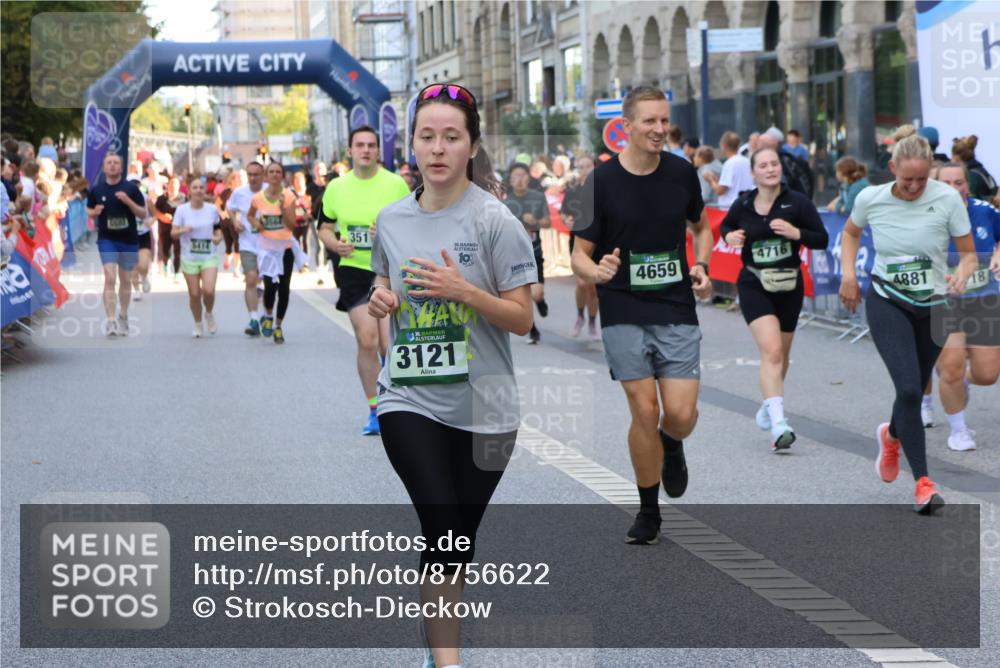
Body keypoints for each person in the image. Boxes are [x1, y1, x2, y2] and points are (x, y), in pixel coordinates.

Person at [368, 81, 535, 668]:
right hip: (408, 397)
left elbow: (521, 318)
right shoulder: (389, 219)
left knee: (455, 545)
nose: (437, 148)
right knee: (441, 524)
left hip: (486, 408)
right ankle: (448, 663)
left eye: (451, 137)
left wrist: (465, 291)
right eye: (426, 137)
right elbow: (382, 283)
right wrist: (381, 298)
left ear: (471, 145)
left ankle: (438, 642)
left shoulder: (495, 221)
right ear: (410, 145)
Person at [572, 86, 714, 544]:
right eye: (649, 121)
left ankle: (672, 444)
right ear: (626, 126)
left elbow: (702, 227)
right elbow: (578, 254)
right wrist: (598, 270)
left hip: (675, 304)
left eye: (664, 121)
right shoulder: (601, 181)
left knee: (680, 413)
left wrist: (701, 265)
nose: (659, 130)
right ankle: (648, 511)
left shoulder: (681, 172)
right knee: (644, 407)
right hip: (622, 306)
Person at [839, 125, 977, 515]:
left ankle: (892, 435)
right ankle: (923, 483)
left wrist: (963, 273)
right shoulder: (871, 197)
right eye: (907, 179)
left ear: (930, 170)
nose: (915, 187)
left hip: (935, 304)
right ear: (892, 167)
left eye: (921, 179)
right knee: (911, 391)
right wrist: (849, 275)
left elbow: (967, 253)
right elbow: (850, 234)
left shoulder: (948, 199)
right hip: (888, 300)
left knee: (911, 389)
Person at [720, 147, 829, 450]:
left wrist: (796, 234)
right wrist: (729, 236)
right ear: (754, 172)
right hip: (754, 283)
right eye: (764, 165)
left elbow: (821, 239)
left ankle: (770, 405)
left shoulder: (798, 202)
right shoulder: (743, 204)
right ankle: (779, 424)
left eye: (774, 164)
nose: (770, 169)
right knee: (771, 351)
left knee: (781, 355)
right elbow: (726, 227)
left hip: (789, 284)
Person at [320, 125, 411, 434]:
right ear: (350, 151)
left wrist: (387, 232)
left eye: (371, 145)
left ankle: (395, 400)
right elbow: (323, 227)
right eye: (360, 145)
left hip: (387, 270)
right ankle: (375, 410)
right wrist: (334, 244)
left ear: (378, 150)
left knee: (389, 343)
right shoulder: (336, 188)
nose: (366, 150)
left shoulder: (396, 184)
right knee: (367, 339)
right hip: (354, 269)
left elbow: (415, 223)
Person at [920, 163, 1000, 450]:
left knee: (987, 374)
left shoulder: (984, 212)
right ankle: (959, 430)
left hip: (985, 299)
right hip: (944, 301)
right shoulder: (925, 216)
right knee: (950, 367)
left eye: (960, 182)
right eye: (948, 183)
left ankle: (963, 381)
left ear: (968, 184)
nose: (955, 188)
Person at [86, 153, 146, 336]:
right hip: (107, 239)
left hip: (128, 239)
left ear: (121, 167)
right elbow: (89, 209)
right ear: (104, 167)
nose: (112, 166)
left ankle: (124, 315)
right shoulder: (96, 190)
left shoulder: (131, 189)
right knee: (110, 276)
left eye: (116, 163)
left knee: (125, 279)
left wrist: (128, 202)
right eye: (109, 163)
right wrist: (94, 212)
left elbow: (143, 214)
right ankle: (111, 319)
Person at [247, 162, 300, 344]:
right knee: (270, 287)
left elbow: (292, 225)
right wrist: (257, 224)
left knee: (284, 289)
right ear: (266, 176)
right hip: (267, 249)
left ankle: (278, 326)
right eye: (271, 172)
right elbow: (250, 215)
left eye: (278, 172)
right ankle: (268, 315)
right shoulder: (258, 198)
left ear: (283, 175)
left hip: (285, 247)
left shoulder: (289, 196)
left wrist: (284, 209)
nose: (275, 175)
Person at [503, 162, 551, 343]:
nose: (519, 180)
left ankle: (540, 302)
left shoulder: (538, 197)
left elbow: (548, 223)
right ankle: (533, 330)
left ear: (528, 178)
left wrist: (536, 220)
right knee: (522, 296)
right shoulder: (505, 203)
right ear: (510, 180)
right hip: (515, 255)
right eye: (515, 176)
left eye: (523, 175)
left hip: (535, 253)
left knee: (536, 294)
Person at [172, 177, 223, 337]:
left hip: (209, 256)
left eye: (201, 187)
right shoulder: (182, 210)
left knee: (208, 290)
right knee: (194, 294)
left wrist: (218, 238)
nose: (198, 190)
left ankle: (208, 313)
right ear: (189, 191)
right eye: (195, 187)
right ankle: (198, 323)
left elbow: (218, 229)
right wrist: (182, 230)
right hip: (189, 257)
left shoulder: (212, 209)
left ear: (205, 190)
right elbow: (173, 233)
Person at [561, 154, 600, 340]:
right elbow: (564, 214)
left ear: (594, 167)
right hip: (577, 240)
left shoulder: (601, 190)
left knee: (592, 287)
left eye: (588, 166)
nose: (585, 170)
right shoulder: (573, 191)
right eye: (581, 166)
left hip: (598, 243)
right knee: (581, 283)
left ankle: (592, 322)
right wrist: (567, 220)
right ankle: (579, 316)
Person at [227, 161, 266, 336]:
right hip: (247, 243)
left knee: (269, 283)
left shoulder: (270, 190)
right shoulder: (239, 192)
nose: (252, 178)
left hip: (269, 244)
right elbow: (229, 208)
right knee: (251, 278)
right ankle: (253, 319)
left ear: (262, 175)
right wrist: (235, 222)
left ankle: (267, 315)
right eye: (249, 174)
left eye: (256, 174)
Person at [758, 130, 814, 199]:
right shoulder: (785, 153)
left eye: (774, 164)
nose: (770, 170)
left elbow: (800, 180)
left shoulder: (786, 159)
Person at [706, 131, 753, 208]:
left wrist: (711, 180)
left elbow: (720, 191)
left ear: (724, 145)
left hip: (729, 209)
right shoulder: (747, 161)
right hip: (745, 205)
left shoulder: (729, 164)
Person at [154, 176, 184, 280]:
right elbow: (155, 211)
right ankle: (166, 265)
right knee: (166, 249)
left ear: (179, 186)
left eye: (175, 184)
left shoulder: (183, 198)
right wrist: (163, 217)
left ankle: (176, 273)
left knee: (178, 251)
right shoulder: (162, 198)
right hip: (165, 228)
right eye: (171, 184)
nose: (173, 186)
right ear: (168, 186)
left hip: (178, 229)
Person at [951, 135, 998, 201]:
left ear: (956, 157)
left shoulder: (970, 176)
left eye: (952, 156)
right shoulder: (981, 171)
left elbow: (972, 201)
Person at [216, 170, 241, 276]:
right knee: (228, 245)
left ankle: (236, 269)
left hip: (236, 222)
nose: (240, 180)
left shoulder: (243, 192)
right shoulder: (226, 192)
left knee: (237, 244)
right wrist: (221, 212)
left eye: (240, 178)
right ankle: (228, 258)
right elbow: (217, 204)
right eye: (238, 178)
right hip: (225, 222)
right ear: (233, 180)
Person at [290, 171, 312, 269]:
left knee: (305, 241)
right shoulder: (291, 193)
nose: (299, 183)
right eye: (296, 181)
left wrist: (306, 207)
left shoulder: (308, 193)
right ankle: (299, 261)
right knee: (296, 243)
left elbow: (311, 206)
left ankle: (305, 262)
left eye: (300, 181)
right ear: (293, 182)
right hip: (295, 222)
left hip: (306, 222)